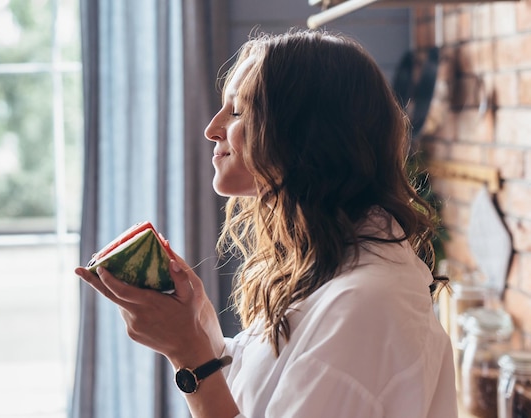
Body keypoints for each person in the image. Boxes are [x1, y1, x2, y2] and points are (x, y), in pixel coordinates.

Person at [75, 29, 458, 418]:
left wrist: (188, 357)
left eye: (237, 111)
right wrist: (198, 320)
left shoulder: (364, 306)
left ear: (304, 134)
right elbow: (261, 387)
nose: (212, 128)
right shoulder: (326, 264)